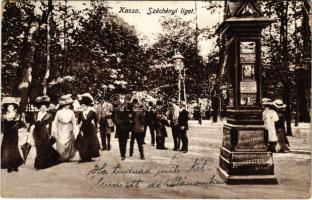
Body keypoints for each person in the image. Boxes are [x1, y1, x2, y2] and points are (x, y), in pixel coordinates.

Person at [30, 96, 60, 169]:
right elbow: (33, 124)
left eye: (44, 107)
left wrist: (51, 133)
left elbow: (51, 125)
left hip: (44, 132)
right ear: (39, 107)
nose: (43, 108)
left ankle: (44, 162)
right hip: (36, 132)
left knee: (44, 146)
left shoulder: (49, 115)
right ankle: (39, 162)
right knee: (38, 147)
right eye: (41, 107)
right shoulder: (36, 115)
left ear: (46, 107)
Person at [1, 97, 24, 173]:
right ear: (7, 107)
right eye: (9, 106)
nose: (10, 108)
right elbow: (3, 124)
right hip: (7, 134)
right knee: (7, 149)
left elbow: (21, 124)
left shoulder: (17, 115)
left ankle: (15, 165)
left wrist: (17, 124)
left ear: (14, 107)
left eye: (12, 106)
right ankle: (9, 166)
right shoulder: (4, 115)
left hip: (14, 133)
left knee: (14, 148)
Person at [51, 94, 77, 161]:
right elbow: (55, 121)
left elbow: (74, 121)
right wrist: (54, 129)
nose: (68, 106)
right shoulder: (59, 112)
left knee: (68, 143)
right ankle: (61, 156)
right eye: (66, 104)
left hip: (69, 128)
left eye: (69, 104)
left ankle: (67, 156)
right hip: (61, 128)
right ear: (64, 105)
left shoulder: (71, 112)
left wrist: (74, 129)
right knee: (61, 142)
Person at [77, 93, 100, 162]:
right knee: (83, 143)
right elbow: (78, 122)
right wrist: (79, 127)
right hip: (83, 129)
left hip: (90, 129)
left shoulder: (92, 112)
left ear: (87, 106)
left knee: (91, 142)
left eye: (84, 106)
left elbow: (96, 121)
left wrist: (96, 128)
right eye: (82, 106)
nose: (83, 107)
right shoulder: (80, 113)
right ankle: (84, 157)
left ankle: (90, 156)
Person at [113, 93, 132, 161]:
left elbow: (130, 114)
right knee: (120, 141)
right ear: (119, 96)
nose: (122, 96)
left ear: (125, 96)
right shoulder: (115, 104)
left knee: (125, 140)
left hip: (126, 125)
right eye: (121, 94)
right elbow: (114, 115)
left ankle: (123, 153)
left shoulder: (129, 104)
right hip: (119, 125)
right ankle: (122, 154)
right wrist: (117, 122)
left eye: (123, 94)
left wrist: (128, 121)